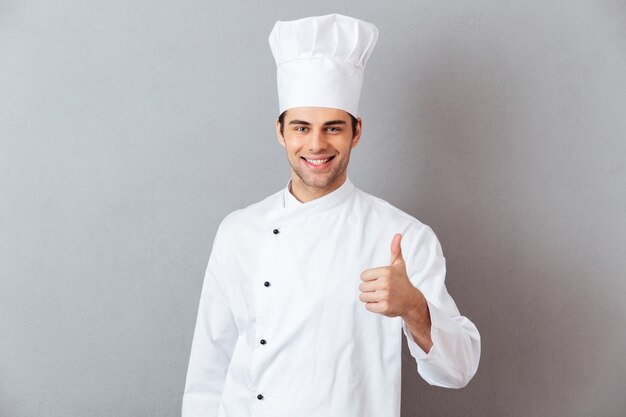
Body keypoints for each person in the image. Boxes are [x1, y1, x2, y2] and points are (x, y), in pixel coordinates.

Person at [182, 13, 480, 417]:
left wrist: (414, 307)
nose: (317, 145)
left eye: (333, 128)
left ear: (357, 132)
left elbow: (459, 370)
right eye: (302, 128)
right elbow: (208, 370)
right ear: (280, 131)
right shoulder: (239, 231)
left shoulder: (403, 236)